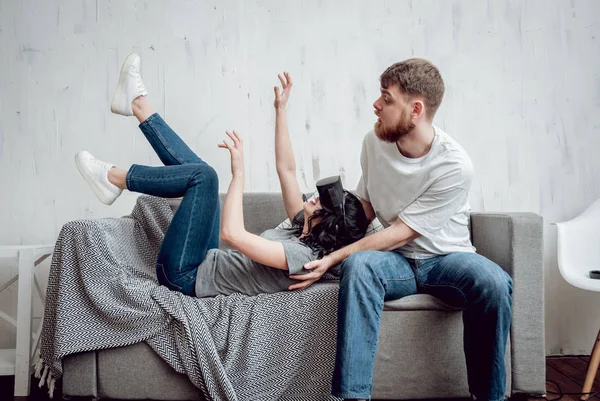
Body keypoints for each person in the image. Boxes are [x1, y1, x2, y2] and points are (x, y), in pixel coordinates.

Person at [288, 59, 513, 401]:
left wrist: (334, 256)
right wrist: (322, 226)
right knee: (360, 266)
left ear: (416, 109)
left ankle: (489, 397)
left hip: (446, 260)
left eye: (387, 98)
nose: (375, 105)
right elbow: (366, 204)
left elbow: (402, 232)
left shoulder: (454, 164)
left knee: (494, 282)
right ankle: (352, 397)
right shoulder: (374, 143)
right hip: (395, 262)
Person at [75, 54, 369, 298]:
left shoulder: (302, 258)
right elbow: (287, 170)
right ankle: (139, 105)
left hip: (184, 276)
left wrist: (238, 173)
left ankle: (113, 178)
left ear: (328, 223)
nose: (316, 197)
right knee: (203, 175)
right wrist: (281, 110)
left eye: (325, 203)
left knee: (204, 177)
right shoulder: (300, 227)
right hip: (203, 260)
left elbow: (233, 234)